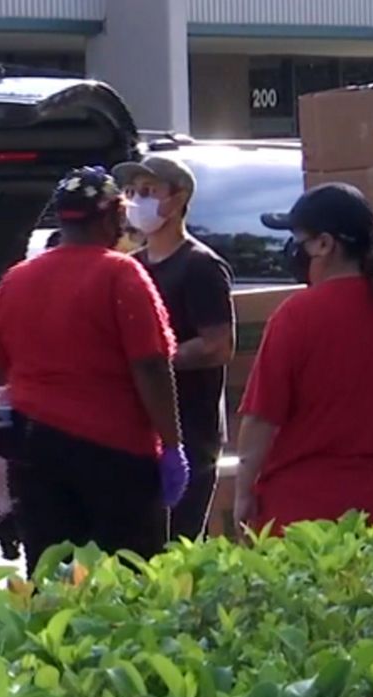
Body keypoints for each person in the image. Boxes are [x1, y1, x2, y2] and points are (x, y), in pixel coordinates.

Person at [0, 167, 188, 572]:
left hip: (35, 453)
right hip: (116, 456)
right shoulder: (121, 274)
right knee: (127, 578)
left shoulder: (17, 280)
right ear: (111, 217)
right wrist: (172, 445)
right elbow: (152, 368)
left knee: (51, 574)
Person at [234, 184, 373, 532]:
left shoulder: (297, 316)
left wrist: (243, 494)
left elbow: (261, 421)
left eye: (299, 239)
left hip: (307, 518)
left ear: (324, 244)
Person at [114, 155, 235, 539]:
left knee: (175, 549)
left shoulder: (200, 266)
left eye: (149, 192)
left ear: (178, 199)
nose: (137, 201)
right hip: (136, 433)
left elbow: (219, 346)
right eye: (131, 192)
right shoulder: (130, 267)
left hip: (190, 437)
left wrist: (156, 359)